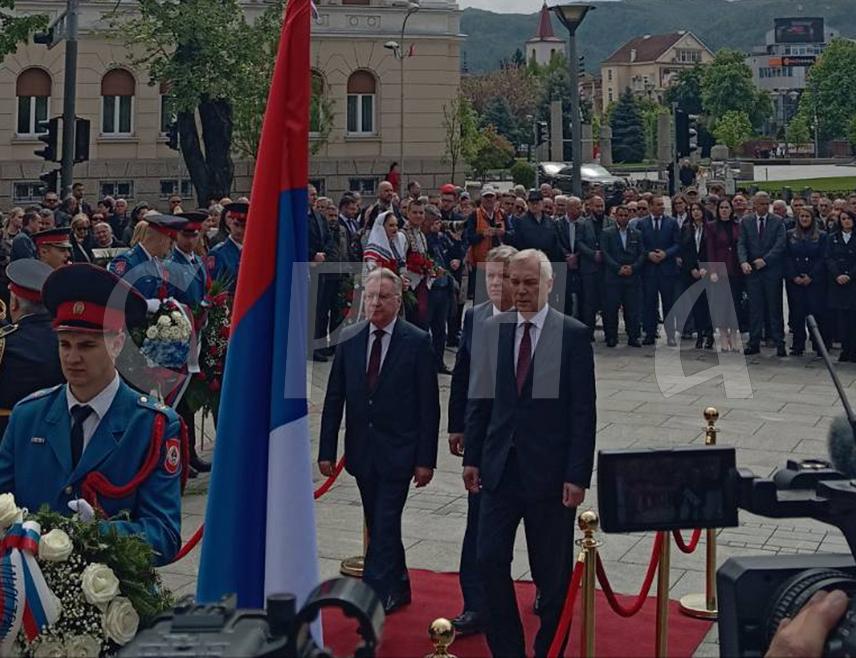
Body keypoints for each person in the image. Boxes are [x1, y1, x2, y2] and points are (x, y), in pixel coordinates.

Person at [0, 264, 182, 564]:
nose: (72, 358)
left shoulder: (152, 425)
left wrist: (100, 534)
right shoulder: (27, 415)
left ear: (117, 344)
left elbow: (164, 535)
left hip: (114, 596)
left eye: (87, 345)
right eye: (64, 344)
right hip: (31, 592)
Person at [463, 249, 596, 658]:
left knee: (552, 578)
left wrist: (577, 475)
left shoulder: (570, 334)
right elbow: (481, 400)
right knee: (487, 561)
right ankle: (507, 650)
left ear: (549, 285)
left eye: (529, 283)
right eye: (514, 282)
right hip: (499, 471)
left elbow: (582, 411)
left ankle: (548, 650)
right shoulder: (493, 329)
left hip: (550, 477)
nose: (519, 290)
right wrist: (472, 456)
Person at [318, 268, 440, 613]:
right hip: (362, 451)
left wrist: (425, 460)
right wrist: (327, 450)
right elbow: (334, 398)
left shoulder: (416, 341)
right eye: (370, 296)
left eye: (383, 297)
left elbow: (428, 407)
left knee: (385, 522)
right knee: (378, 521)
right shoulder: (351, 338)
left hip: (400, 452)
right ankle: (399, 584)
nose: (375, 303)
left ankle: (371, 593)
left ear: (398, 302)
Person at [447, 245, 517, 637]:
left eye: (502, 276)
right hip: (483, 439)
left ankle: (542, 587)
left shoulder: (534, 320)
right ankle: (475, 602)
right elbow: (463, 374)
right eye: (489, 276)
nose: (494, 283)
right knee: (478, 525)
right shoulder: (474, 316)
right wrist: (457, 425)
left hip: (523, 443)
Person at [0, 260, 64, 436]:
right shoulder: (68, 340)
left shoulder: (5, 342)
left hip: (8, 436)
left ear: (14, 303)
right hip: (60, 433)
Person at [738, 192, 787, 356]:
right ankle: (754, 342)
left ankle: (779, 342)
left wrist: (765, 260)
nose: (764, 207)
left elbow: (780, 245)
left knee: (775, 308)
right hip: (753, 272)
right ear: (754, 205)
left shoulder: (778, 221)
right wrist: (743, 261)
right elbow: (742, 243)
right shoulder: (746, 221)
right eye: (761, 204)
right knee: (755, 309)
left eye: (767, 204)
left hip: (771, 271)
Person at [108, 212, 187, 310]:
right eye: (170, 243)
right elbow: (115, 299)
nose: (170, 249)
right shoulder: (127, 262)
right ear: (162, 240)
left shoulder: (157, 263)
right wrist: (146, 305)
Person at [638, 196, 681, 345]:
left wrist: (666, 254)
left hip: (667, 269)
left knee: (669, 303)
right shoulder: (642, 224)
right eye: (658, 205)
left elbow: (677, 244)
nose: (662, 207)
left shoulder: (672, 223)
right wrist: (648, 254)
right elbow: (639, 244)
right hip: (649, 270)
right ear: (651, 207)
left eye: (663, 205)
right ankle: (650, 333)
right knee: (649, 303)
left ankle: (670, 335)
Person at [785, 207, 828, 356]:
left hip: (814, 281)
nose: (804, 219)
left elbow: (823, 258)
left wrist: (811, 276)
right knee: (797, 313)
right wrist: (794, 276)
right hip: (795, 280)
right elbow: (787, 257)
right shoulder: (790, 235)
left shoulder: (821, 236)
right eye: (802, 216)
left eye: (807, 216)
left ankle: (819, 345)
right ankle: (798, 345)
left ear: (812, 219)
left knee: (817, 312)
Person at [602, 205, 645, 347]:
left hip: (632, 277)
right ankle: (611, 337)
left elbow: (642, 254)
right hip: (613, 277)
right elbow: (605, 253)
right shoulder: (607, 233)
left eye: (626, 215)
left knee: (633, 309)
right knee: (611, 309)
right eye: (620, 215)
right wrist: (617, 268)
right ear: (616, 216)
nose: (623, 218)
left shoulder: (637, 233)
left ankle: (633, 336)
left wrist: (633, 268)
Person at [705, 199, 743, 352]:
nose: (724, 210)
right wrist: (712, 270)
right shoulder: (712, 226)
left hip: (735, 268)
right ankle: (722, 334)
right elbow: (710, 249)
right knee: (721, 304)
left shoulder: (738, 226)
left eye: (727, 207)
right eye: (722, 208)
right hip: (720, 269)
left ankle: (733, 335)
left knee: (734, 303)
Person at [577, 195, 611, 340]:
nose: (600, 209)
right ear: (590, 207)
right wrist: (592, 254)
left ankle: (610, 334)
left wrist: (605, 254)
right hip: (589, 268)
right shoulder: (583, 224)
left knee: (608, 303)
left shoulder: (610, 222)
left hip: (606, 268)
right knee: (589, 303)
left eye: (601, 206)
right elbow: (579, 243)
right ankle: (588, 334)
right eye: (597, 206)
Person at [680, 202, 713, 349]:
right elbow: (684, 251)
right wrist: (691, 268)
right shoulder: (686, 228)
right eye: (692, 210)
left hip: (707, 270)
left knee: (709, 304)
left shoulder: (710, 228)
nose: (695, 213)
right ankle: (699, 334)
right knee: (697, 305)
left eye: (698, 210)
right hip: (691, 272)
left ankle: (709, 333)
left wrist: (706, 267)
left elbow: (712, 250)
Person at [826, 210, 856, 362]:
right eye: (843, 219)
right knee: (841, 318)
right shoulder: (833, 238)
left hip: (853, 283)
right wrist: (837, 274)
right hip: (837, 283)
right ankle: (845, 348)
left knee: (853, 317)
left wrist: (849, 275)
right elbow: (828, 257)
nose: (846, 221)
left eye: (849, 218)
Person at [509, 190, 563, 263]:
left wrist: (559, 268)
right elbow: (517, 244)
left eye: (537, 203)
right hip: (528, 261)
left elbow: (556, 244)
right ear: (528, 204)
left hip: (548, 261)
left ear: (542, 203)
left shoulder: (550, 221)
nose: (534, 206)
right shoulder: (520, 221)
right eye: (532, 203)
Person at [206, 201, 246, 293]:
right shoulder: (218, 253)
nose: (239, 230)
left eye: (243, 226)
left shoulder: (252, 252)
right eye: (236, 225)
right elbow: (213, 291)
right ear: (230, 224)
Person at [556, 196, 584, 319]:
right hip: (563, 264)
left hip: (580, 264)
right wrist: (567, 256)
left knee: (582, 297)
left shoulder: (584, 224)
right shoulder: (558, 224)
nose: (581, 210)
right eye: (577, 208)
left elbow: (586, 242)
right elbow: (556, 242)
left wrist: (576, 256)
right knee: (565, 297)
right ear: (569, 209)